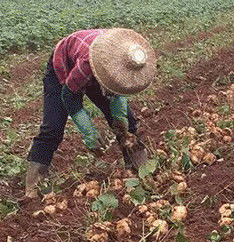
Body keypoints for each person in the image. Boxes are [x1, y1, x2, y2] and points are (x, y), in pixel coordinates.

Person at [25, 28, 156, 198]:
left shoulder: (127, 57)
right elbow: (69, 97)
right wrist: (89, 131)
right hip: (66, 68)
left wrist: (120, 120)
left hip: (98, 70)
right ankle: (34, 185)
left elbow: (119, 92)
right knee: (53, 127)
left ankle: (138, 170)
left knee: (128, 123)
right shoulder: (87, 65)